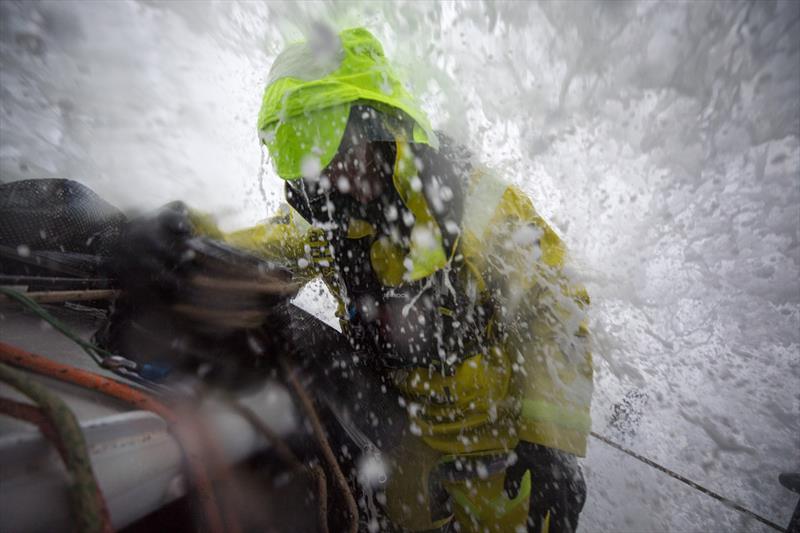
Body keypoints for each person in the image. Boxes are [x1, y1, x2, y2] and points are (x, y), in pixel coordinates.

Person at [216, 27, 594, 532]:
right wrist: (172, 240)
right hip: (399, 454)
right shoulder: (333, 225)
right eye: (302, 156)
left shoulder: (480, 208)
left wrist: (551, 448)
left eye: (327, 149)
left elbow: (556, 310)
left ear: (373, 127)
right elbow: (260, 248)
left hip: (501, 466)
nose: (319, 177)